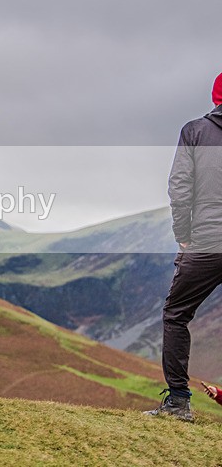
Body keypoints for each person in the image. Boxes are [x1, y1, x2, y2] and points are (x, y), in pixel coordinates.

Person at [144, 72, 222, 422]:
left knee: (176, 315)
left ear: (215, 96)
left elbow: (179, 187)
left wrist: (184, 234)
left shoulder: (194, 132)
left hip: (205, 240)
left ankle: (178, 403)